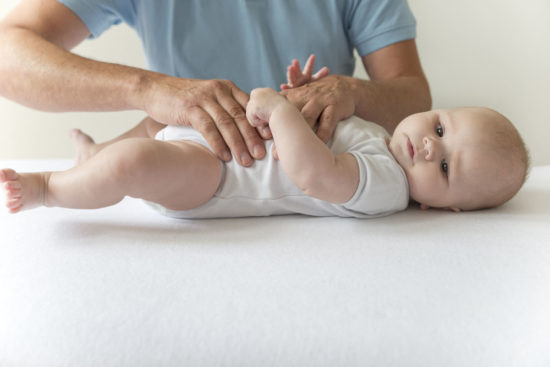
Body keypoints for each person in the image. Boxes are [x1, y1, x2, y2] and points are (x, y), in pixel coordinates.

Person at [0, 0, 431, 167]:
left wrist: (350, 92)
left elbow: (413, 97)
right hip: (191, 174)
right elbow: (7, 52)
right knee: (143, 139)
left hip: (314, 183)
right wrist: (150, 89)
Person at [0, 84, 529, 218]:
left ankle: (49, 189)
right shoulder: (381, 139)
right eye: (440, 126)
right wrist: (302, 98)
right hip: (221, 148)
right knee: (155, 123)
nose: (430, 144)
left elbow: (314, 173)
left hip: (216, 180)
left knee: (132, 165)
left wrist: (280, 113)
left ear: (446, 205)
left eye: (444, 165)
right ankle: (88, 158)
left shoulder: (388, 188)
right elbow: (322, 136)